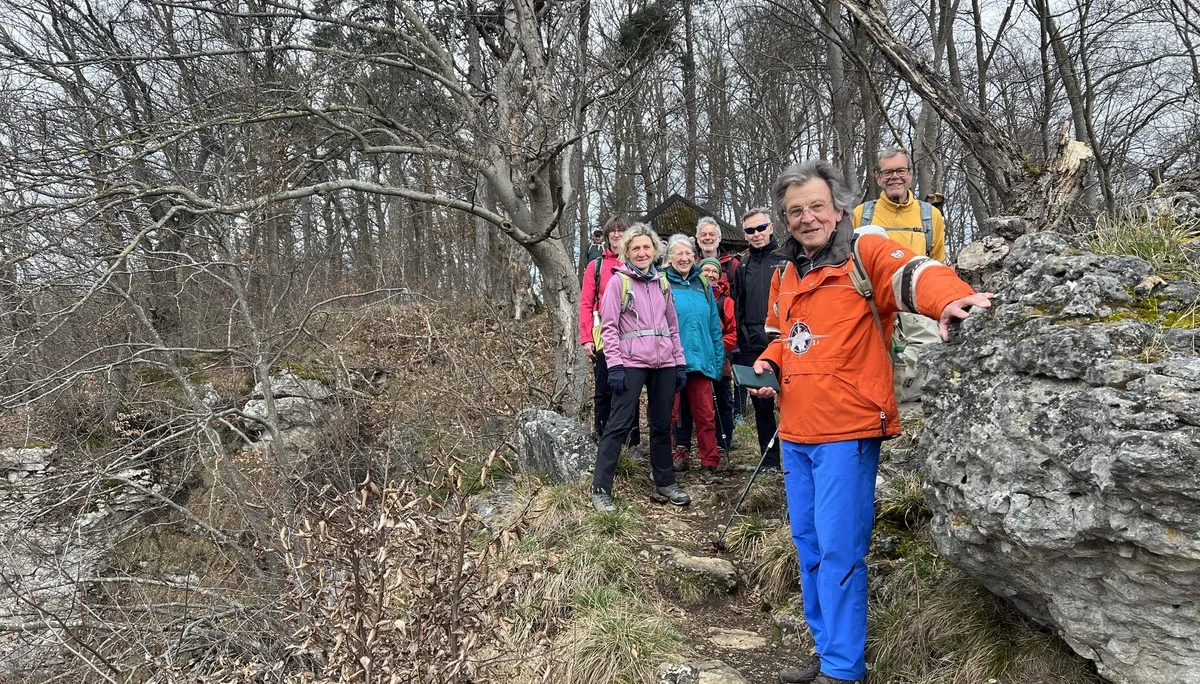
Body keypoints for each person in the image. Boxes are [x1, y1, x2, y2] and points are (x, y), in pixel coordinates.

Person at [749, 160, 992, 684]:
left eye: (816, 206)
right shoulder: (785, 274)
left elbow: (915, 273)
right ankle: (825, 650)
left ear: (837, 207)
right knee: (809, 547)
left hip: (847, 430)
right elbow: (784, 338)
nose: (807, 218)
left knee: (839, 550)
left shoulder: (866, 252)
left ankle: (842, 670)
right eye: (795, 211)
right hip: (794, 431)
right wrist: (769, 363)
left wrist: (950, 298)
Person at [591, 223, 691, 512]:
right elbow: (609, 328)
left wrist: (679, 362)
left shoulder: (662, 283)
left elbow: (673, 326)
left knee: (661, 424)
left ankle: (665, 481)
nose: (642, 252)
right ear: (627, 252)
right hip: (631, 362)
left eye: (646, 247)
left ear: (655, 250)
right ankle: (600, 489)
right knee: (618, 424)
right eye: (636, 248)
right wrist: (615, 367)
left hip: (664, 363)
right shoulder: (617, 283)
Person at [851, 146, 947, 403]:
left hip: (917, 308)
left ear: (911, 173)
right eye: (887, 172)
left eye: (900, 170)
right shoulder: (862, 214)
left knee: (922, 371)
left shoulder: (930, 216)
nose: (894, 177)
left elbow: (938, 263)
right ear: (877, 176)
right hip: (874, 306)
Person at [661, 235, 724, 483]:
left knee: (706, 415)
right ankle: (665, 464)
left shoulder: (703, 284)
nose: (685, 258)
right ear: (669, 258)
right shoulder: (662, 282)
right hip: (670, 362)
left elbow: (713, 326)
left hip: (701, 361)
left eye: (688, 254)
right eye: (679, 254)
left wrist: (718, 360)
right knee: (668, 415)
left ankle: (709, 463)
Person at [580, 216, 643, 453]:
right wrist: (586, 337)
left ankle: (632, 443)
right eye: (612, 231)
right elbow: (586, 303)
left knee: (631, 390)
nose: (616, 235)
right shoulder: (595, 267)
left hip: (633, 338)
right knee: (604, 389)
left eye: (621, 231)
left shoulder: (639, 264)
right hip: (604, 338)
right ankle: (602, 437)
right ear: (606, 236)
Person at [733, 206, 788, 471]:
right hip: (753, 344)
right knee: (762, 405)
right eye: (750, 230)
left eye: (761, 228)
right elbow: (738, 306)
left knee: (792, 402)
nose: (756, 234)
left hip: (785, 340)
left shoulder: (787, 258)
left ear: (771, 228)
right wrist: (742, 341)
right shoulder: (742, 265)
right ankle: (770, 462)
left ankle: (796, 458)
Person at [695, 216, 740, 284]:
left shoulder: (732, 264)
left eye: (711, 234)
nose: (707, 238)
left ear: (719, 238)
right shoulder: (691, 264)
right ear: (697, 239)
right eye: (703, 235)